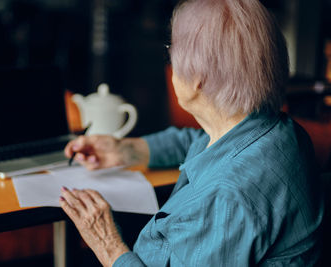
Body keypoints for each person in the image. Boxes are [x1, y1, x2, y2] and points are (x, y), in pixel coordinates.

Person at [60, 0, 324, 266]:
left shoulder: (226, 200)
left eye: (171, 51)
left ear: (198, 78)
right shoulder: (279, 131)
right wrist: (125, 150)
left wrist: (108, 246)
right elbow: (197, 142)